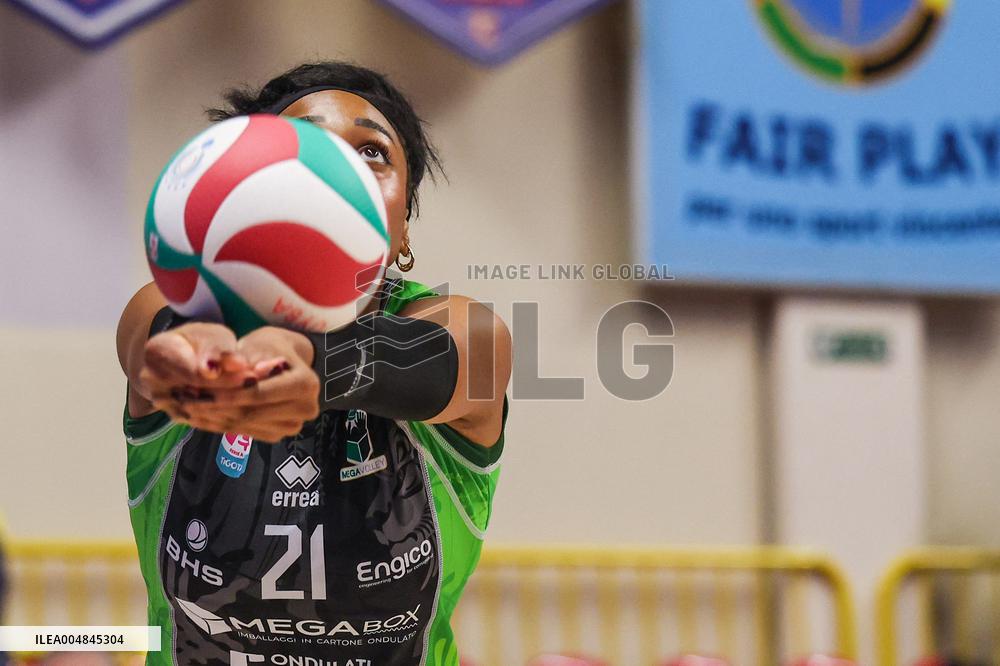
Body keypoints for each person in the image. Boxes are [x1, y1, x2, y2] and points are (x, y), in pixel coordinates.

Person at [116, 61, 511, 666]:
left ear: (403, 226)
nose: (341, 169)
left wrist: (305, 356)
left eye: (372, 152)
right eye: (307, 146)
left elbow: (445, 360)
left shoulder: (468, 330)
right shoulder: (165, 308)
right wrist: (202, 362)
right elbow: (158, 337)